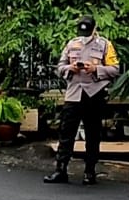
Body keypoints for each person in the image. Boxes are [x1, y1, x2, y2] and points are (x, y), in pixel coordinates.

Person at [44, 14, 120, 186]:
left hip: (94, 93)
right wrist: (70, 68)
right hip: (74, 93)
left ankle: (89, 172)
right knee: (66, 132)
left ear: (94, 29)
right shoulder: (72, 44)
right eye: (81, 31)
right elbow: (60, 67)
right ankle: (60, 170)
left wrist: (96, 69)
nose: (84, 35)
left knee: (93, 134)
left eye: (88, 31)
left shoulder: (105, 45)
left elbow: (115, 69)